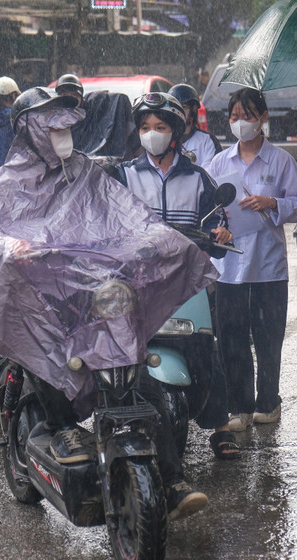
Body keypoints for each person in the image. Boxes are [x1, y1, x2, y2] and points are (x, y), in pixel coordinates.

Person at [0, 87, 211, 520]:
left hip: (92, 297)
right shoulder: (4, 183)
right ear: (31, 130)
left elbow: (128, 214)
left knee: (137, 376)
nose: (65, 132)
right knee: (50, 357)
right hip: (39, 304)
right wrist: (11, 246)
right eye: (55, 125)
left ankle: (172, 479)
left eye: (68, 124)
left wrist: (159, 239)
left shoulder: (84, 172)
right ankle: (60, 427)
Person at [113, 91, 240, 459]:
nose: (152, 133)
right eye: (145, 127)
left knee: (204, 345)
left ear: (176, 133)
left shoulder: (199, 179)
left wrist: (220, 233)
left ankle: (220, 425)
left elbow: (216, 222)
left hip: (187, 280)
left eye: (160, 126)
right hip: (138, 280)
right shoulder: (123, 175)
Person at [207, 87, 297, 431]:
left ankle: (269, 401)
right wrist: (218, 226)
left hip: (268, 266)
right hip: (230, 268)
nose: (240, 123)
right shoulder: (219, 163)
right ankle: (239, 406)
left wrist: (271, 203)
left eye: (247, 116)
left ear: (262, 118)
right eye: (234, 117)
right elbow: (207, 209)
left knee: (268, 338)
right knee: (231, 338)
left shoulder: (281, 161)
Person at [168, 83, 222, 167]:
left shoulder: (207, 141)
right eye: (174, 107)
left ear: (193, 109)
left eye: (183, 106)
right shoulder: (164, 140)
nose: (178, 111)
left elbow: (210, 174)